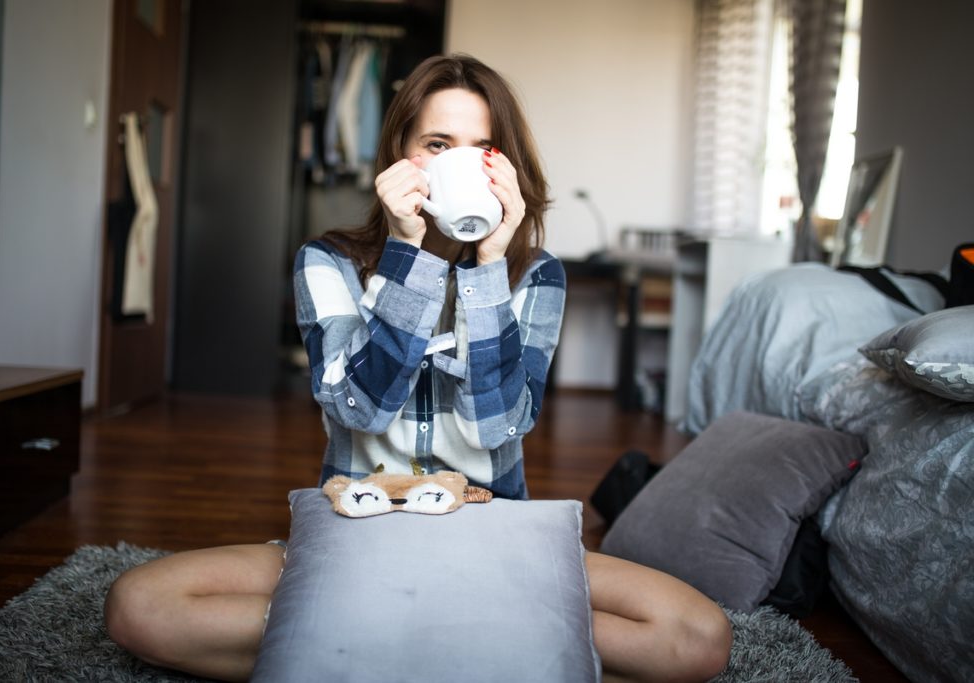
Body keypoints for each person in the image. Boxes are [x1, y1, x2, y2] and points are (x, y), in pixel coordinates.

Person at [105, 53, 731, 682]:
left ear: (505, 165)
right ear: (400, 155)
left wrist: (488, 269)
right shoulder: (328, 262)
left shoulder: (536, 275)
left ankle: (371, 641)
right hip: (359, 532)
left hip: (494, 538)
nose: (462, 162)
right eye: (438, 143)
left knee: (696, 638)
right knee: (141, 606)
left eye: (484, 148)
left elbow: (497, 428)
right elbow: (362, 408)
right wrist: (407, 254)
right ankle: (481, 643)